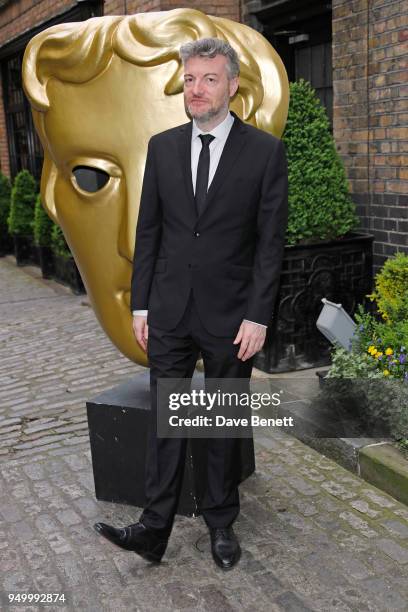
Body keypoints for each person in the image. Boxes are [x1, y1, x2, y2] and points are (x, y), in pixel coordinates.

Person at [94, 37, 288, 570]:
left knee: (222, 424)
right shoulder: (163, 147)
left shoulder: (265, 153)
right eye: (191, 79)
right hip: (171, 312)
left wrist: (258, 315)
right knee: (167, 420)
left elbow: (271, 244)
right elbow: (149, 229)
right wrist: (141, 306)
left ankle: (221, 524)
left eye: (208, 79)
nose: (196, 89)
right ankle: (153, 530)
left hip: (232, 317)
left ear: (231, 85)